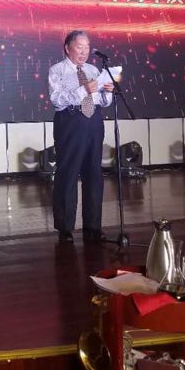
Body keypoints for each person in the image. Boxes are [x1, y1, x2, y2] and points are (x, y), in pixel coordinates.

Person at [48, 30, 115, 243]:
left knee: (94, 173)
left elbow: (102, 101)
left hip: (93, 122)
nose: (84, 51)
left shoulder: (93, 69)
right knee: (68, 173)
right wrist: (83, 90)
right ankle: (65, 228)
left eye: (87, 47)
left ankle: (93, 226)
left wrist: (107, 91)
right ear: (67, 48)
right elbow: (56, 100)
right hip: (70, 121)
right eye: (79, 47)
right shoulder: (57, 70)